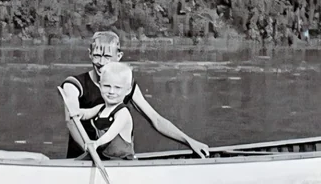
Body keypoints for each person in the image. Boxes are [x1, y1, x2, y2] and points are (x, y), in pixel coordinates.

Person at [57, 31, 210, 159]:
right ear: (90, 54)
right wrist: (88, 150)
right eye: (97, 55)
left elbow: (155, 119)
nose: (101, 62)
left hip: (116, 160)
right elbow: (71, 121)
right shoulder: (74, 84)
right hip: (83, 160)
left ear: (119, 56)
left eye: (107, 57)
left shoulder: (125, 87)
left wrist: (190, 142)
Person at [77, 62, 137, 160]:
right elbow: (85, 114)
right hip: (103, 158)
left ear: (128, 90)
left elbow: (110, 134)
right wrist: (78, 112)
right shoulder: (100, 108)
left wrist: (96, 143)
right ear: (100, 86)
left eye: (117, 87)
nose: (111, 91)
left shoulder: (123, 113)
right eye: (107, 86)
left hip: (121, 161)